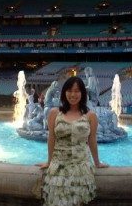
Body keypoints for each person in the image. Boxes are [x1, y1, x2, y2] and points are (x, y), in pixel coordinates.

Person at [36, 76, 108, 206]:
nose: (73, 94)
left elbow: (92, 140)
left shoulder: (90, 116)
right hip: (59, 166)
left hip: (81, 166)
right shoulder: (54, 113)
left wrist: (97, 162)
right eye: (69, 90)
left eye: (77, 91)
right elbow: (51, 138)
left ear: (82, 93)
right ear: (64, 92)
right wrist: (48, 161)